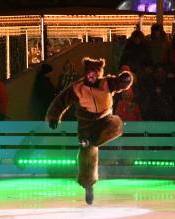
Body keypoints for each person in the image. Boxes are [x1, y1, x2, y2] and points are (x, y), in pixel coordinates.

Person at [46, 57, 133, 205]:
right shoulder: (78, 88)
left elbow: (121, 83)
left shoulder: (107, 83)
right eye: (89, 74)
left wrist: (126, 79)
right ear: (85, 74)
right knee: (88, 156)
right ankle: (88, 186)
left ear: (99, 74)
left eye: (95, 74)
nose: (91, 77)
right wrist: (53, 116)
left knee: (116, 124)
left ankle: (89, 142)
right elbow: (61, 101)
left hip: (105, 121)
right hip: (87, 126)